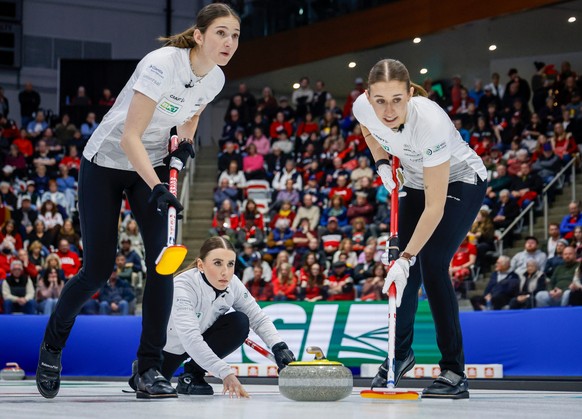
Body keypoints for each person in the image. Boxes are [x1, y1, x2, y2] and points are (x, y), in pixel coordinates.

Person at [36, 4, 241, 400]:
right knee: (97, 270)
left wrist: (182, 146)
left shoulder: (215, 79)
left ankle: (147, 369)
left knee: (163, 264)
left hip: (156, 163)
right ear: (199, 36)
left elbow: (190, 116)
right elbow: (131, 136)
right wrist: (158, 186)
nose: (229, 42)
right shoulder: (161, 64)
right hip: (108, 162)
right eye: (220, 33)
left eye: (234, 35)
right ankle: (51, 347)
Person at [354, 59, 487, 399]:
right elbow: (369, 130)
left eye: (397, 99)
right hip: (412, 179)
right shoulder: (362, 108)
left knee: (430, 262)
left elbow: (435, 207)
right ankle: (399, 355)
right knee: (404, 273)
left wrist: (408, 255)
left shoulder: (429, 121)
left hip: (460, 180)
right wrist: (381, 163)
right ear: (368, 97)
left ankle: (454, 371)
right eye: (380, 100)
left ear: (410, 93)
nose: (387, 110)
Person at [129, 236, 295, 397]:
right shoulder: (183, 286)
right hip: (171, 347)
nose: (226, 272)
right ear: (201, 265)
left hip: (202, 338)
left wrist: (279, 347)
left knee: (239, 322)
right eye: (217, 263)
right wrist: (226, 373)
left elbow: (257, 318)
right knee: (150, 383)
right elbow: (190, 339)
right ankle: (143, 369)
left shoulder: (233, 284)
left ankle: (192, 375)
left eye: (231, 264)